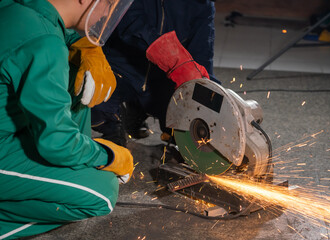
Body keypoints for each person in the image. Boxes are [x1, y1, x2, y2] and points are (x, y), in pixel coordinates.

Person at [0, 0, 134, 238]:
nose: (107, 14)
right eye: (109, 5)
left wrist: (83, 45)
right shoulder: (45, 43)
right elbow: (56, 142)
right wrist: (108, 156)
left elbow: (46, 31)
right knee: (101, 193)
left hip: (7, 133)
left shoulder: (19, 9)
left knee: (78, 80)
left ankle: (73, 161)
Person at [91, 0, 218, 146]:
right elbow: (131, 23)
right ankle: (113, 128)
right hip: (121, 68)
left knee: (185, 124)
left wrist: (211, 99)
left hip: (160, 79)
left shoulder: (203, 5)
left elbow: (202, 56)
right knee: (91, 93)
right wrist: (173, 59)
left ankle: (138, 109)